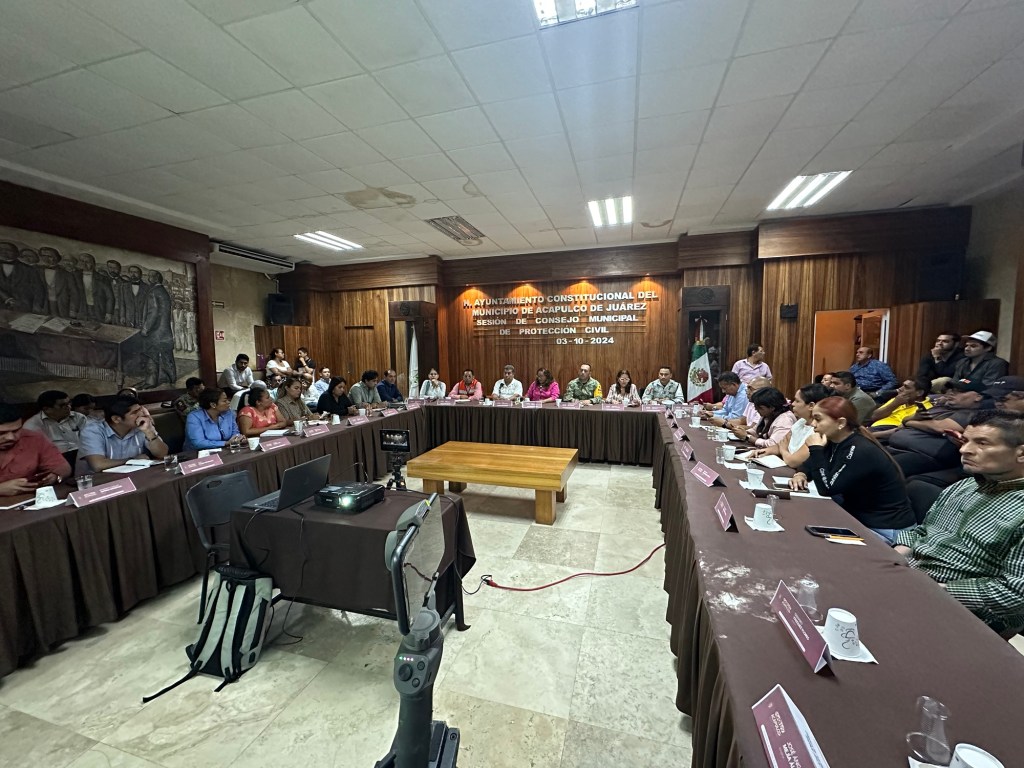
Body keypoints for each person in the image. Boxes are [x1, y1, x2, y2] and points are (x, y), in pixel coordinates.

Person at [893, 410, 1024, 637]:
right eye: (965, 441)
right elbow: (923, 531)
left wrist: (930, 590)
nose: (964, 450)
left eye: (982, 443)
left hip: (968, 613)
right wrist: (892, 560)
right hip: (911, 581)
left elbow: (1013, 594)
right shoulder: (964, 486)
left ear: (1021, 453)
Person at [790, 396, 915, 543]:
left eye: (818, 419)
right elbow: (809, 464)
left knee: (810, 541)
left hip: (885, 528)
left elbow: (827, 488)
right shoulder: (834, 441)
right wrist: (801, 474)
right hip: (858, 518)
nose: (813, 424)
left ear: (841, 423)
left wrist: (816, 449)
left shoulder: (859, 450)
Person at [887, 378, 990, 477]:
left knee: (884, 468)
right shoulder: (942, 406)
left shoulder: (972, 414)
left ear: (978, 397)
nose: (952, 393)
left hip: (923, 453)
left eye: (960, 391)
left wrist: (910, 422)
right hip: (897, 445)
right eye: (952, 390)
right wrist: (909, 421)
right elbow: (904, 422)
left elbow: (940, 427)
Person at [750, 383, 830, 468]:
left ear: (811, 406)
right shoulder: (801, 421)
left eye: (797, 401)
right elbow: (781, 444)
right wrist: (766, 451)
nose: (793, 404)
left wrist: (783, 450)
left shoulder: (818, 430)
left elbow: (793, 462)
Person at [79, 396, 169, 472]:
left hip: (135, 476)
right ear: (116, 419)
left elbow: (162, 454)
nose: (141, 414)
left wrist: (149, 431)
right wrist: (133, 460)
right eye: (135, 412)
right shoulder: (93, 431)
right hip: (99, 481)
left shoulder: (142, 425)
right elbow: (98, 465)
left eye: (140, 409)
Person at [0, 403, 71, 496]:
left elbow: (63, 468)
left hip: (27, 499)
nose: (11, 437)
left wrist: (55, 476)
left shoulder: (34, 439)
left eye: (16, 431)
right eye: (1, 433)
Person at [23, 390, 87, 459]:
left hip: (82, 455)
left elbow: (88, 440)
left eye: (69, 403)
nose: (69, 407)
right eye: (62, 405)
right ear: (47, 409)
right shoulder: (32, 425)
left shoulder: (78, 417)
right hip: (54, 458)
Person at [868, 378, 933, 433]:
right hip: (874, 427)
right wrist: (895, 404)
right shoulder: (898, 399)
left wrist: (872, 435)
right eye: (902, 385)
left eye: (906, 387)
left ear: (919, 393)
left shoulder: (926, 408)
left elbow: (903, 430)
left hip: (889, 432)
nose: (900, 389)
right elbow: (874, 417)